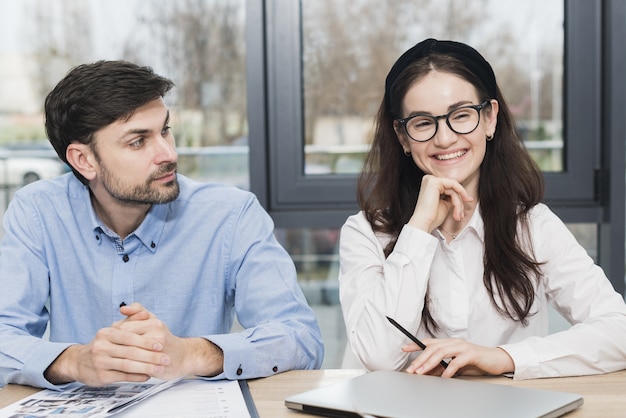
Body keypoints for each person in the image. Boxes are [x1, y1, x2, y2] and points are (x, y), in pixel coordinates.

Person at [0, 60, 323, 390]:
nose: (168, 154)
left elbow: (300, 338)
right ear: (84, 160)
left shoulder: (231, 214)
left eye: (165, 130)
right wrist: (73, 361)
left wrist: (189, 354)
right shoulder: (37, 212)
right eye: (138, 141)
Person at [339, 38, 626, 380]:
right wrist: (418, 229)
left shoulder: (532, 226)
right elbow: (378, 356)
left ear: (490, 119)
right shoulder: (365, 233)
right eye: (422, 122)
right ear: (402, 136)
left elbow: (617, 331)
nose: (444, 139)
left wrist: (504, 357)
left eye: (461, 116)